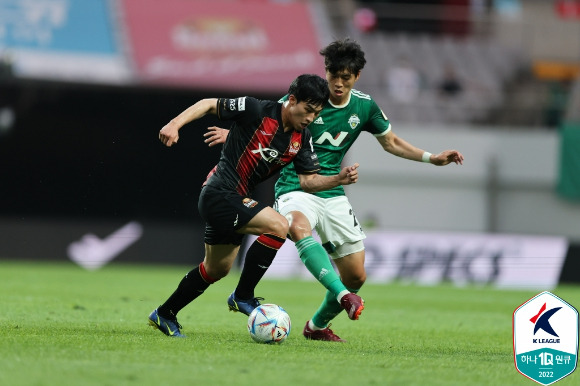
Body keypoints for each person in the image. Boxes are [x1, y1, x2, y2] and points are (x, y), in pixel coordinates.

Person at [205, 38, 464, 342]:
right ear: (325, 72)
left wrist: (431, 158)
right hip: (296, 184)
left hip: (333, 190)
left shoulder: (364, 106)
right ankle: (342, 296)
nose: (338, 84)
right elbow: (267, 118)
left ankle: (316, 327)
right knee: (298, 227)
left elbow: (391, 142)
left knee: (356, 275)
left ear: (357, 77)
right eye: (333, 75)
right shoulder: (308, 97)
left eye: (346, 77)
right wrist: (236, 134)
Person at [148, 74, 362, 338]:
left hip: (235, 201)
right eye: (307, 110)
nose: (310, 118)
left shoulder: (301, 138)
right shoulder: (255, 109)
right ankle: (243, 296)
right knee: (279, 225)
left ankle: (165, 313)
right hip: (219, 193)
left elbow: (308, 182)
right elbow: (207, 104)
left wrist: (337, 179)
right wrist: (174, 124)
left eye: (316, 113)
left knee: (216, 269)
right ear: (292, 100)